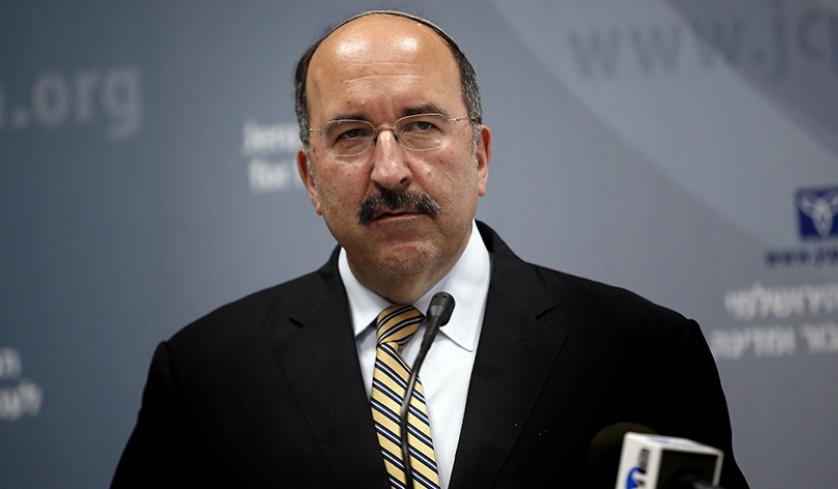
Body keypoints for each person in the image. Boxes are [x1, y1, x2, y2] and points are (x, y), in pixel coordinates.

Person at [112, 10, 749, 489]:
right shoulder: (202, 378)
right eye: (353, 134)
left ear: (479, 156)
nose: (390, 170)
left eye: (420, 125)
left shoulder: (644, 353)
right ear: (310, 178)